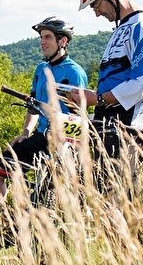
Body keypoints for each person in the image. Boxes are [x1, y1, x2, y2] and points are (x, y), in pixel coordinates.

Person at [61, 0, 143, 159]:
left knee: (119, 190)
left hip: (129, 131)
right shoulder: (121, 29)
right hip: (107, 126)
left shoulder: (142, 26)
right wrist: (92, 96)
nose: (97, 13)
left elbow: (141, 84)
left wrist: (97, 99)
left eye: (96, 5)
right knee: (61, 131)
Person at [8, 16, 87, 169]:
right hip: (40, 136)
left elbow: (78, 115)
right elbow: (33, 105)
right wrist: (25, 133)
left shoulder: (74, 72)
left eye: (47, 37)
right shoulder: (40, 69)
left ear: (63, 41)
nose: (42, 42)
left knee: (48, 186)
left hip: (64, 141)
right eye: (41, 37)